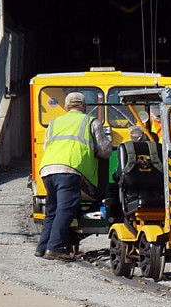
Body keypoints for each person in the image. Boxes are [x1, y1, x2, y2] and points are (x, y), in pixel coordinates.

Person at [35, 91, 113, 261]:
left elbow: (46, 146)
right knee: (65, 209)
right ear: (84, 107)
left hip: (48, 169)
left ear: (66, 107)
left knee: (52, 210)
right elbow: (105, 151)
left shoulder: (54, 123)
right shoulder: (90, 122)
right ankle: (55, 248)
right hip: (70, 169)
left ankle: (42, 247)